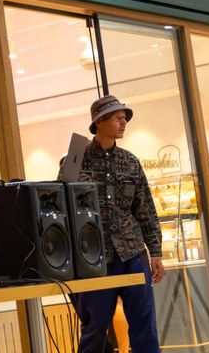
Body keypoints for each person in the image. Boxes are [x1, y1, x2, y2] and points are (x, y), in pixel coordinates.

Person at [59, 95, 164, 352]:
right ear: (99, 121)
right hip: (94, 257)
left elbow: (145, 209)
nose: (123, 122)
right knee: (95, 327)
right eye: (117, 118)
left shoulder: (131, 162)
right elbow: (62, 208)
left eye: (124, 118)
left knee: (144, 322)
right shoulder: (75, 160)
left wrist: (156, 252)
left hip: (132, 252)